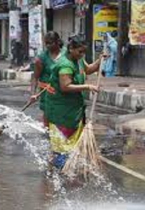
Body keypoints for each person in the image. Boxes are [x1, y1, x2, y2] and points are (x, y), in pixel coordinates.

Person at [44, 35, 103, 170]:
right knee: (62, 149)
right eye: (80, 51)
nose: (82, 55)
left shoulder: (78, 60)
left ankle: (60, 170)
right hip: (61, 112)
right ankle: (55, 177)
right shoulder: (65, 65)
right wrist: (88, 87)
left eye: (84, 52)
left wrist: (100, 61)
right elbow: (65, 86)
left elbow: (88, 70)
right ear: (71, 49)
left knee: (70, 148)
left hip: (73, 110)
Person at [30, 31, 66, 127]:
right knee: (48, 122)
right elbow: (35, 77)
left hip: (63, 93)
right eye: (46, 43)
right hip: (47, 94)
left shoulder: (67, 54)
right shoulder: (41, 58)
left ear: (57, 42)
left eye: (50, 43)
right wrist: (33, 94)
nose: (48, 46)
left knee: (63, 121)